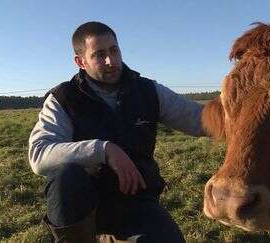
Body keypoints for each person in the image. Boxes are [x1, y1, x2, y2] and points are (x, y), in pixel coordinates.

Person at [28, 21, 204, 243]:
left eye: (114, 50)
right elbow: (39, 154)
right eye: (99, 55)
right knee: (66, 176)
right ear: (80, 61)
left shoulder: (147, 91)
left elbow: (200, 119)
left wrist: (249, 113)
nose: (111, 61)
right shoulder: (64, 98)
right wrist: (104, 149)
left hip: (136, 200)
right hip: (84, 207)